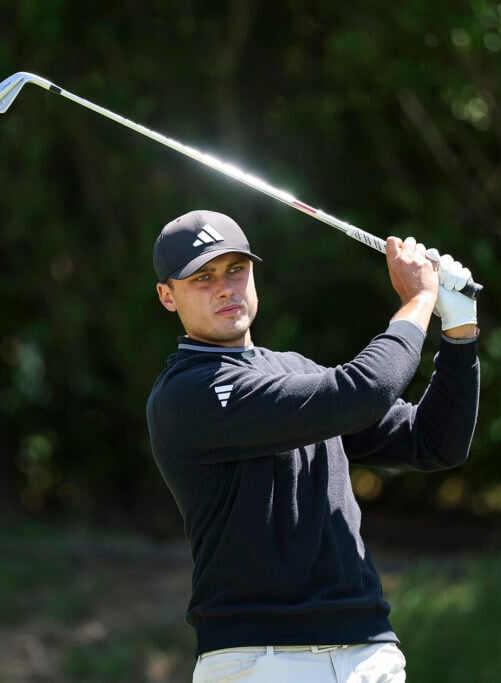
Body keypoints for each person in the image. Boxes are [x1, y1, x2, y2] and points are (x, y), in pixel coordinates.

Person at [145, 209, 480, 682]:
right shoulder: (187, 393)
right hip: (260, 659)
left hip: (367, 652)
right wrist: (420, 300)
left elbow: (433, 441)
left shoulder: (296, 370)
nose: (224, 288)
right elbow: (364, 390)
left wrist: (460, 332)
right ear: (167, 296)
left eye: (235, 269)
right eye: (203, 277)